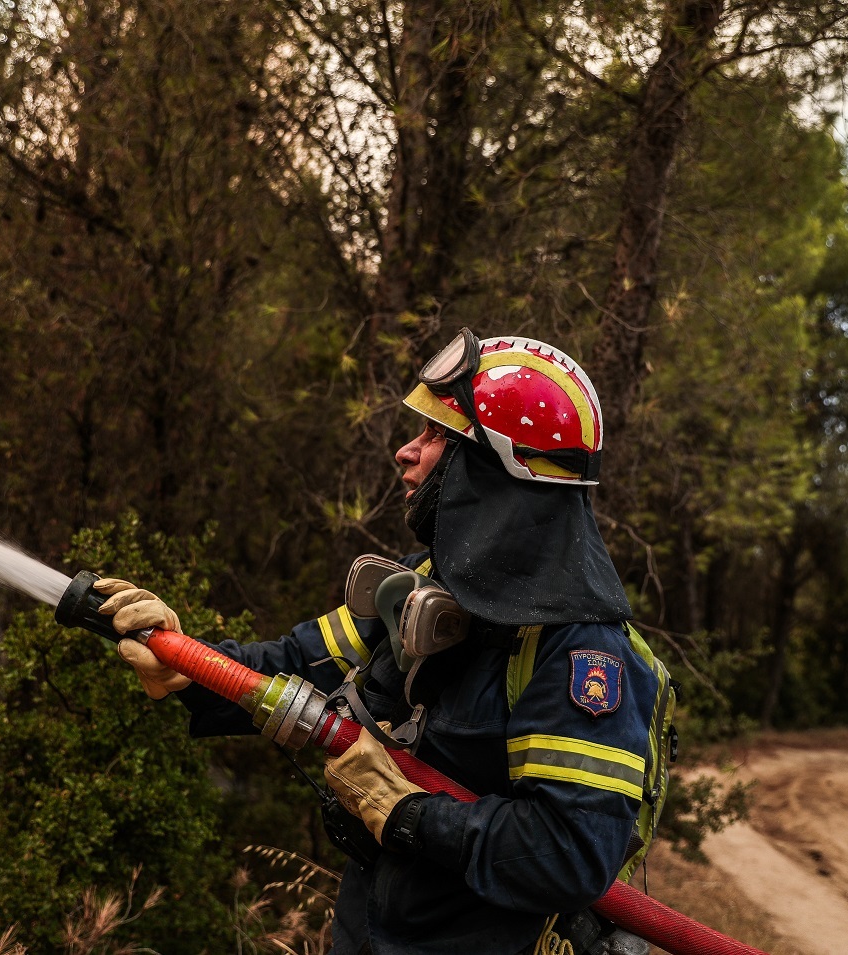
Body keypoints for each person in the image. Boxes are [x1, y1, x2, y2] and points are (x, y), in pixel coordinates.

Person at [96, 332, 671, 955]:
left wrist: (406, 813)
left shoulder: (579, 652)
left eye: (437, 438)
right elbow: (294, 668)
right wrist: (186, 661)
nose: (406, 452)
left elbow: (566, 853)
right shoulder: (425, 587)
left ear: (496, 468)